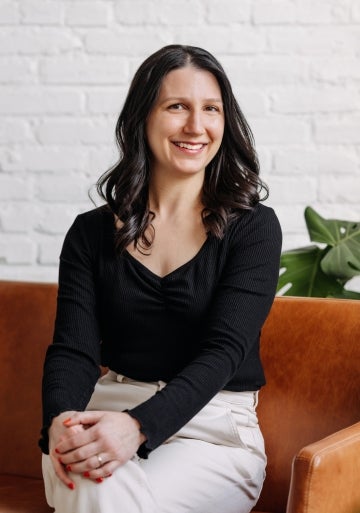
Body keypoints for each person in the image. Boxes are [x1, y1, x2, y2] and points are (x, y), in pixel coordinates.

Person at [40, 44, 282, 513]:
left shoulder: (253, 228)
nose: (196, 126)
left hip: (213, 430)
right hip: (102, 413)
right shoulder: (90, 233)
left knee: (102, 491)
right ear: (141, 118)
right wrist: (60, 422)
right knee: (94, 476)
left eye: (211, 109)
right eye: (177, 107)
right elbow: (72, 350)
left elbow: (225, 351)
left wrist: (140, 426)